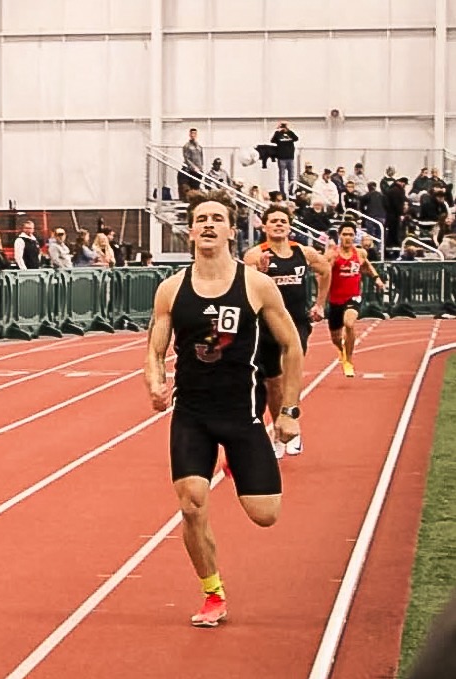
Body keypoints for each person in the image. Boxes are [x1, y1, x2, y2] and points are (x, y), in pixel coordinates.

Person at [144, 189, 303, 628]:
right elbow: (154, 350)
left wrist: (289, 410)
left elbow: (291, 345)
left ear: (233, 231)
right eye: (201, 219)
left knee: (265, 514)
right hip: (191, 413)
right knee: (192, 503)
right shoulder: (171, 289)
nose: (209, 225)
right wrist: (156, 383)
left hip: (242, 415)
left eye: (217, 218)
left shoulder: (256, 285)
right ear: (191, 230)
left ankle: (235, 462)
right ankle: (212, 593)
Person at [242, 204, 331, 457]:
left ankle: (292, 422)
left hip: (296, 323)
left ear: (290, 226)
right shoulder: (255, 255)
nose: (279, 224)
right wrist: (258, 272)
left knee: (289, 371)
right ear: (265, 226)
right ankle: (280, 431)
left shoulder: (303, 252)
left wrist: (320, 304)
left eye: (283, 221)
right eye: (274, 221)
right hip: (267, 325)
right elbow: (246, 287)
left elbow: (325, 270)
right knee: (273, 383)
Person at [324, 221, 385, 378]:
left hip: (353, 296)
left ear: (355, 236)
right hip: (335, 299)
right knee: (336, 338)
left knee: (349, 323)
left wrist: (377, 278)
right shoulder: (333, 254)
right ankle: (343, 351)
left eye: (351, 235)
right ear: (339, 236)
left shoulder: (360, 253)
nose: (348, 238)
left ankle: (348, 361)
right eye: (345, 234)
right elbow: (323, 273)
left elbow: (367, 266)